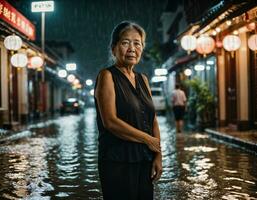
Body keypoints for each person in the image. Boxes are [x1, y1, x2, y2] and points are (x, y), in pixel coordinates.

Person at [94, 21, 162, 200]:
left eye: (137, 43)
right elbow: (110, 121)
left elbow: (152, 119)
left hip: (145, 159)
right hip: (117, 160)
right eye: (125, 42)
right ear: (114, 48)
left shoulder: (143, 79)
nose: (132, 48)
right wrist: (147, 139)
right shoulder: (106, 76)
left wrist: (158, 156)